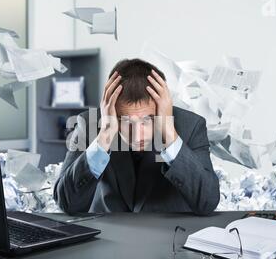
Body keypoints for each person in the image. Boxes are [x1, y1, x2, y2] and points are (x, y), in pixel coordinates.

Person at [54, 58, 220, 214]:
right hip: (107, 235)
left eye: (147, 119)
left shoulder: (191, 126)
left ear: (163, 106)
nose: (136, 136)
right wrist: (103, 137)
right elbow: (67, 204)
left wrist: (170, 136)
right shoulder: (89, 124)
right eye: (125, 120)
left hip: (169, 237)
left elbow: (207, 203)